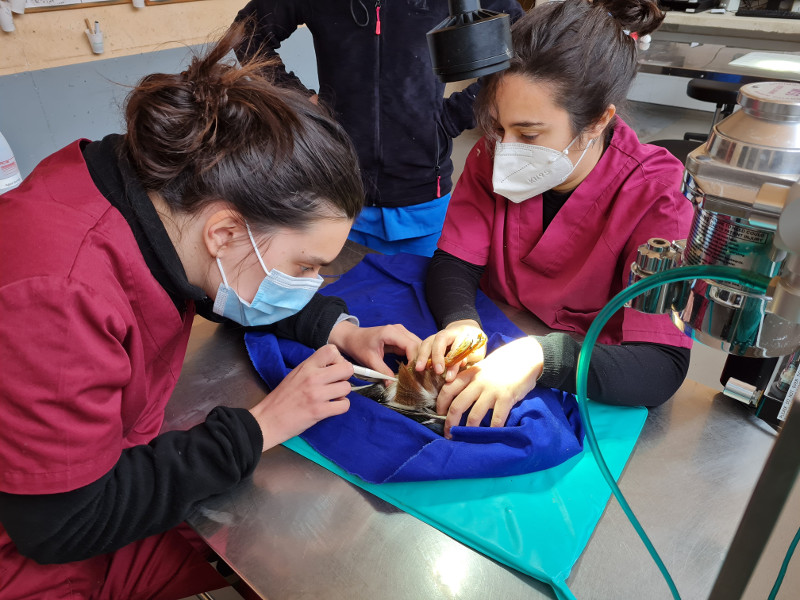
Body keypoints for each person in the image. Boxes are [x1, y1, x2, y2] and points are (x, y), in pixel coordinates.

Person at [0, 24, 419, 599]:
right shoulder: (59, 297)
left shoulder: (156, 199)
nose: (310, 282)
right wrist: (259, 427)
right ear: (224, 231)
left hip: (96, 472)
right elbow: (58, 526)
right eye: (303, 267)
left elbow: (217, 285)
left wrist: (341, 329)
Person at [415, 0, 694, 438]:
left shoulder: (655, 197)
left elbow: (661, 365)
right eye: (498, 127)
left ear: (598, 121)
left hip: (587, 375)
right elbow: (455, 260)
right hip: (497, 335)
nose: (505, 149)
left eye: (528, 134)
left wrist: (546, 357)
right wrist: (461, 322)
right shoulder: (493, 154)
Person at [233, 0, 525, 257]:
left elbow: (524, 39)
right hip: (337, 198)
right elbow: (246, 34)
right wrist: (299, 99)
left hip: (422, 197)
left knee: (423, 306)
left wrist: (456, 115)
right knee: (347, 310)